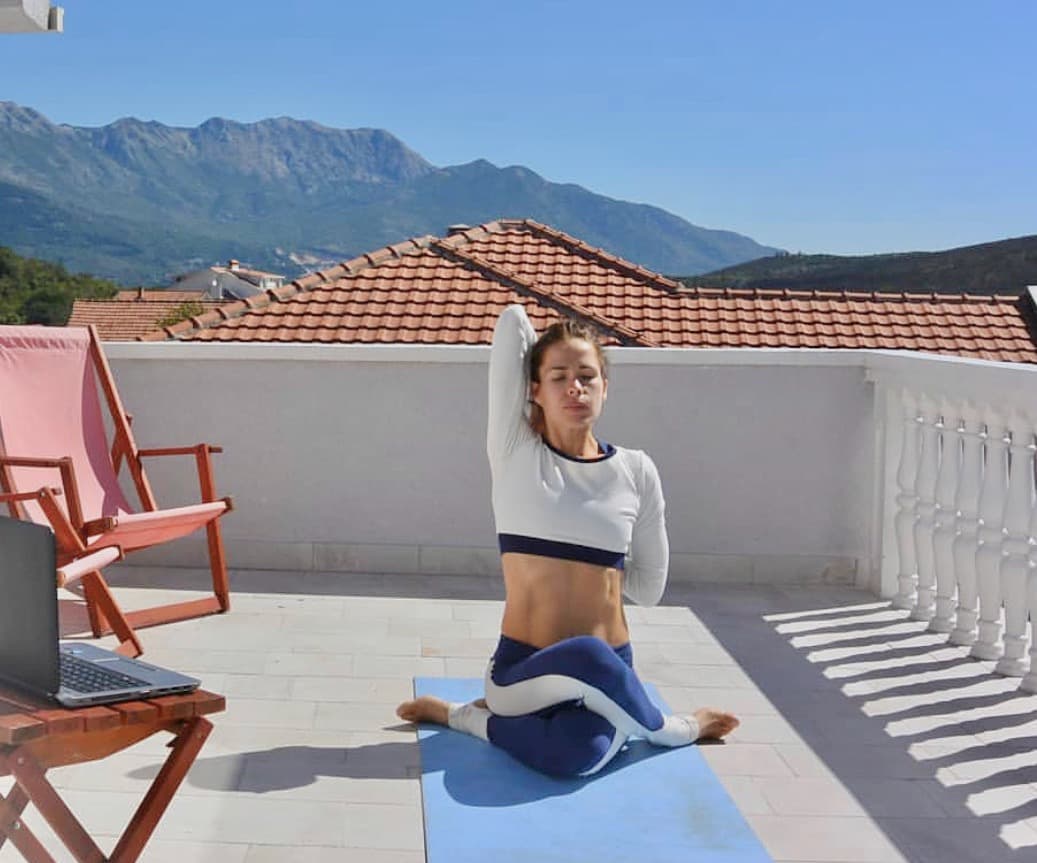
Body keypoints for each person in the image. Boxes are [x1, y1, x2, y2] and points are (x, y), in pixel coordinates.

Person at [397, 304, 738, 776]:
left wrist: (597, 571)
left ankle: (466, 717)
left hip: (609, 671)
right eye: (558, 376)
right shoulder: (514, 452)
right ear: (533, 389)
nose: (575, 387)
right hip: (521, 673)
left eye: (587, 376)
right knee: (588, 655)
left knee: (575, 759)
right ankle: (677, 729)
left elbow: (648, 590)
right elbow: (512, 322)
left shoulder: (636, 470)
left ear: (606, 388)